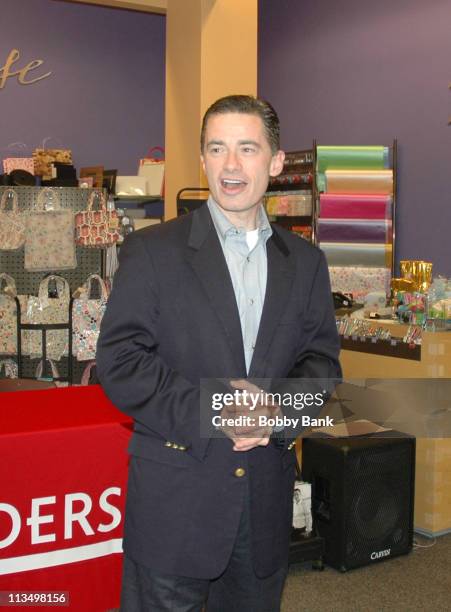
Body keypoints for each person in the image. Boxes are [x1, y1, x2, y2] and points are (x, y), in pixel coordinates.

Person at [96, 95, 341, 611]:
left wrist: (276, 413)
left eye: (247, 149)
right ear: (203, 159)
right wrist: (216, 411)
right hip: (174, 505)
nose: (231, 166)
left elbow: (321, 368)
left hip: (263, 508)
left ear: (275, 162)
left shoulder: (307, 263)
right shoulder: (153, 251)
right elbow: (121, 361)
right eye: (217, 148)